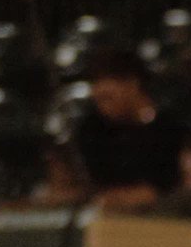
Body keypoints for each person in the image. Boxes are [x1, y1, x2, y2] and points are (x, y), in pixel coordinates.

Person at [73, 48, 182, 212]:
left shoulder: (168, 127)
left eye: (108, 97)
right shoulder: (93, 129)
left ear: (132, 84)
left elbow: (163, 188)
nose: (98, 91)